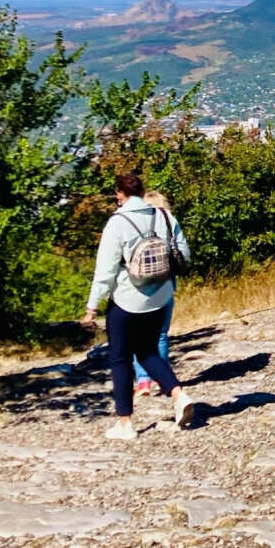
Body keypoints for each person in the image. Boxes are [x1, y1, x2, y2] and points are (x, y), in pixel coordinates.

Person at [83, 173, 195, 440]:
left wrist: (92, 307)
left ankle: (125, 424)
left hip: (126, 299)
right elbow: (184, 253)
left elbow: (105, 271)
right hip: (160, 297)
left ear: (119, 194)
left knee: (120, 358)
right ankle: (179, 395)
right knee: (147, 350)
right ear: (142, 192)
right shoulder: (164, 216)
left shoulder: (117, 222)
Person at [132, 191, 178, 397]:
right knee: (160, 334)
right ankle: (162, 379)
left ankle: (143, 382)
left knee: (138, 335)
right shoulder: (170, 221)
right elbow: (183, 251)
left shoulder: (134, 222)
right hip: (166, 281)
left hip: (140, 284)